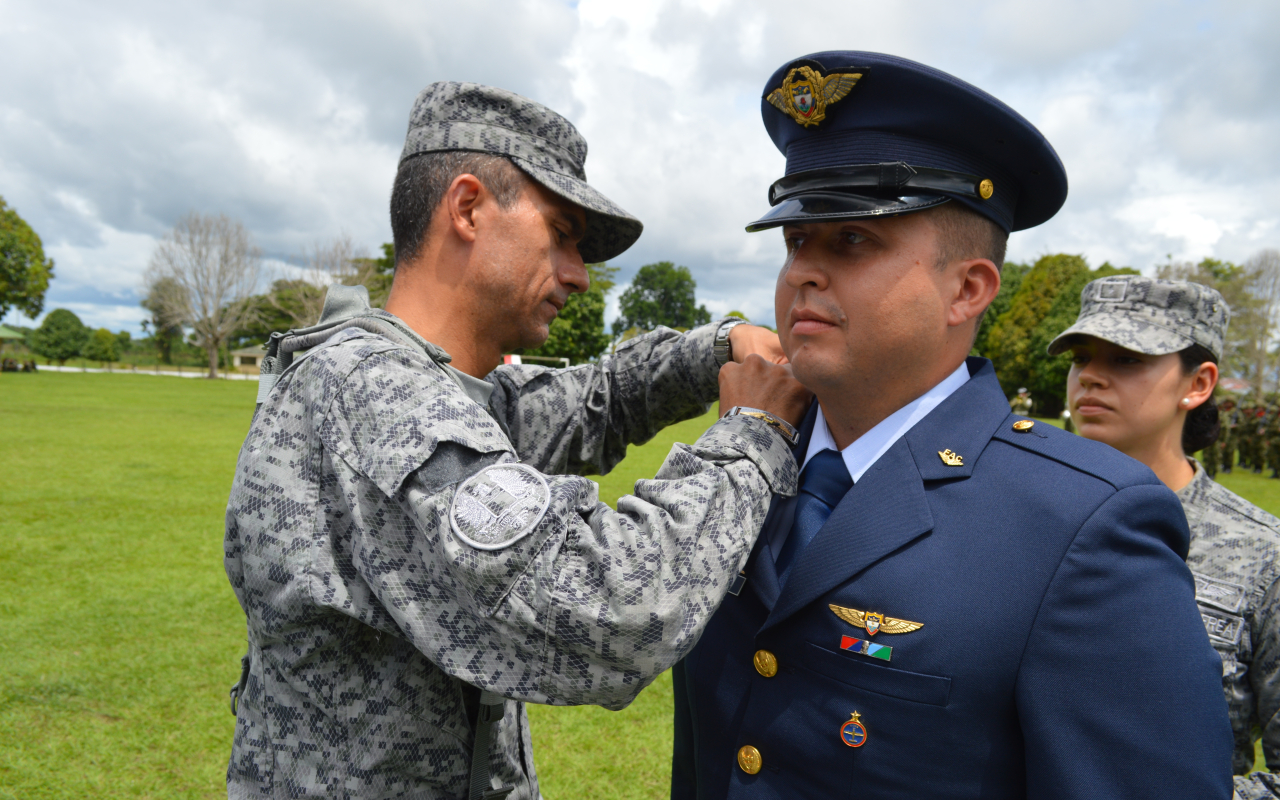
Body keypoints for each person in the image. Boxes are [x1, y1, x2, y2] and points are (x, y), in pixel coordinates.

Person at [223, 82, 812, 800]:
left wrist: (716, 348)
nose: (580, 277)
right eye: (561, 235)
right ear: (467, 208)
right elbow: (612, 608)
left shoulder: (436, 387)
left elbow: (595, 402)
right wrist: (753, 435)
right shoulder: (375, 394)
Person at [670, 51, 1232, 799]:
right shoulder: (743, 460)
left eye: (854, 241)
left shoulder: (1081, 525)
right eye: (797, 240)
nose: (804, 269)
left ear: (967, 289)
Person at [1050, 275, 1280, 798]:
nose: (1090, 377)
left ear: (1197, 384)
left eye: (1126, 360)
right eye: (1080, 357)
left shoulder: (1265, 555)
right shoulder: (1016, 513)